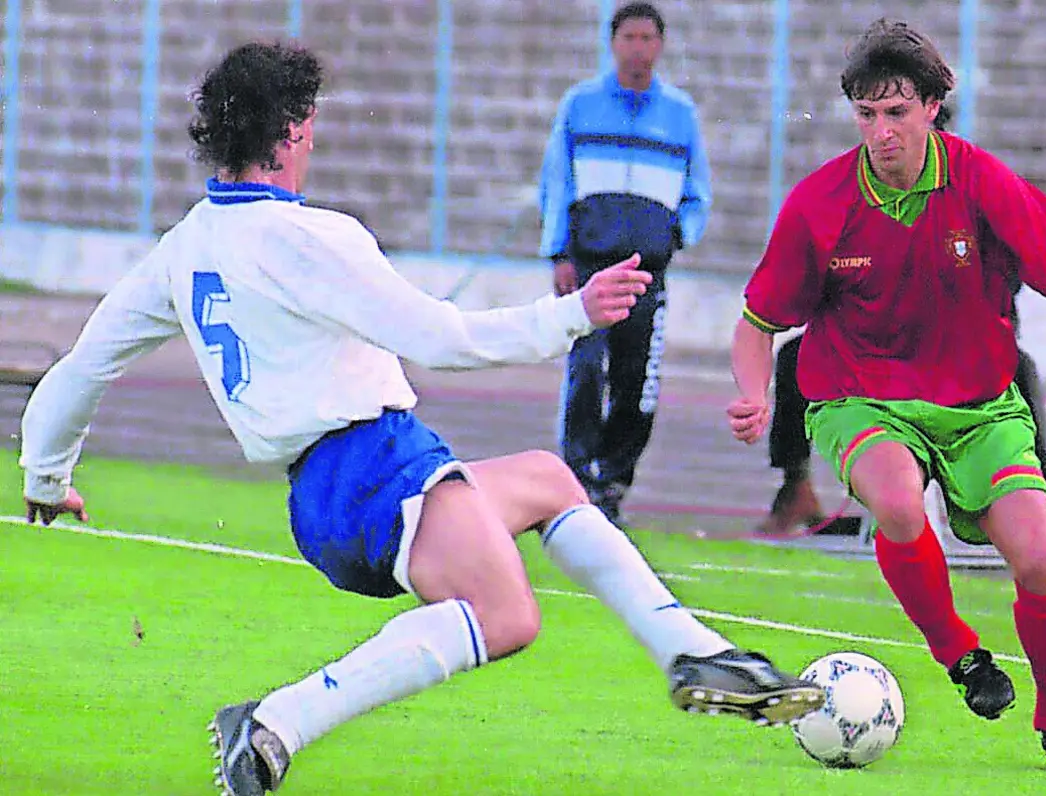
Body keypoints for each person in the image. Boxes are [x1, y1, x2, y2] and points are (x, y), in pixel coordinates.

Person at [18, 42, 822, 796]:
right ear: (291, 131)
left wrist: (47, 476)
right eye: (311, 126)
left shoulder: (180, 249)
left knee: (547, 479)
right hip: (373, 465)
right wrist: (573, 314)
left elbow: (81, 368)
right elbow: (444, 338)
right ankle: (273, 724)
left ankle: (697, 656)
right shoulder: (310, 236)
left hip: (321, 497)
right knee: (506, 615)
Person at [727, 19, 1046, 776]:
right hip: (861, 396)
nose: (881, 131)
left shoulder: (981, 181)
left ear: (931, 107)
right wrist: (754, 394)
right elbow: (756, 323)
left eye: (896, 112)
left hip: (980, 404)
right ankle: (958, 652)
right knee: (892, 499)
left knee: (1040, 560)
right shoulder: (819, 204)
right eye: (866, 114)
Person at [755, 103, 1046, 538]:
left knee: (1018, 368)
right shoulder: (853, 194)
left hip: (954, 349)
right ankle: (795, 485)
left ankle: (1034, 502)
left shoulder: (980, 192)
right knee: (795, 358)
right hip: (874, 345)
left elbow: (1008, 285)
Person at [539, 2, 712, 527]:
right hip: (590, 269)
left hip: (646, 275)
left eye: (647, 39)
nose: (638, 49)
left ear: (659, 46)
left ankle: (612, 482)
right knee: (587, 371)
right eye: (629, 38)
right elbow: (556, 182)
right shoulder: (580, 105)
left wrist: (676, 234)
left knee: (637, 382)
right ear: (613, 44)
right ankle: (576, 477)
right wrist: (560, 253)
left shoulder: (680, 115)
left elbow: (698, 192)